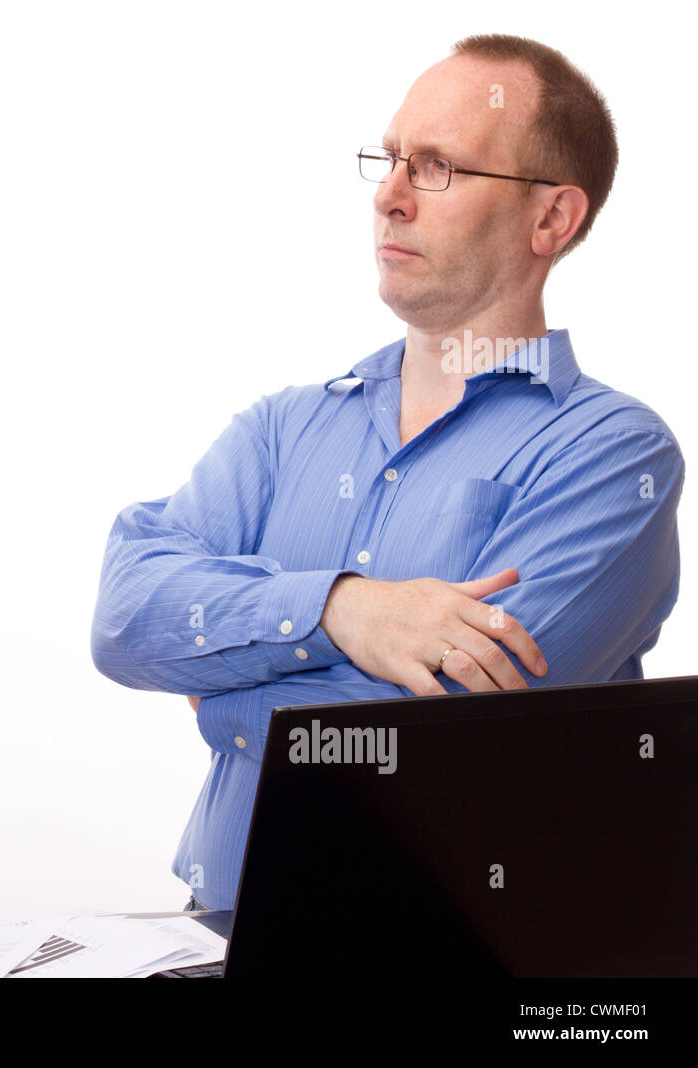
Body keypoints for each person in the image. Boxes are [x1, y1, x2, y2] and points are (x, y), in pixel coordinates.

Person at [91, 34, 683, 914]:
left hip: (467, 953)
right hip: (224, 932)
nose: (390, 196)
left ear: (552, 219)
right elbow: (127, 615)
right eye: (392, 158)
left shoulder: (611, 454)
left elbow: (444, 731)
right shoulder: (285, 427)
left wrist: (219, 684)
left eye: (438, 167)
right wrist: (343, 608)